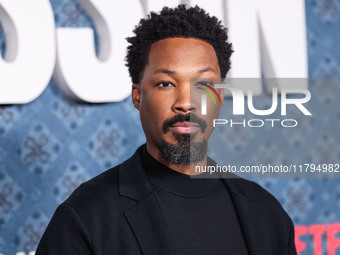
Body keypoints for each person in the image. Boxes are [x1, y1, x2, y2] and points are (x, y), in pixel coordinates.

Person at [36, 4, 297, 255]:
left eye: (204, 84)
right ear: (137, 96)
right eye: (165, 84)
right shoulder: (86, 217)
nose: (186, 102)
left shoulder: (265, 213)